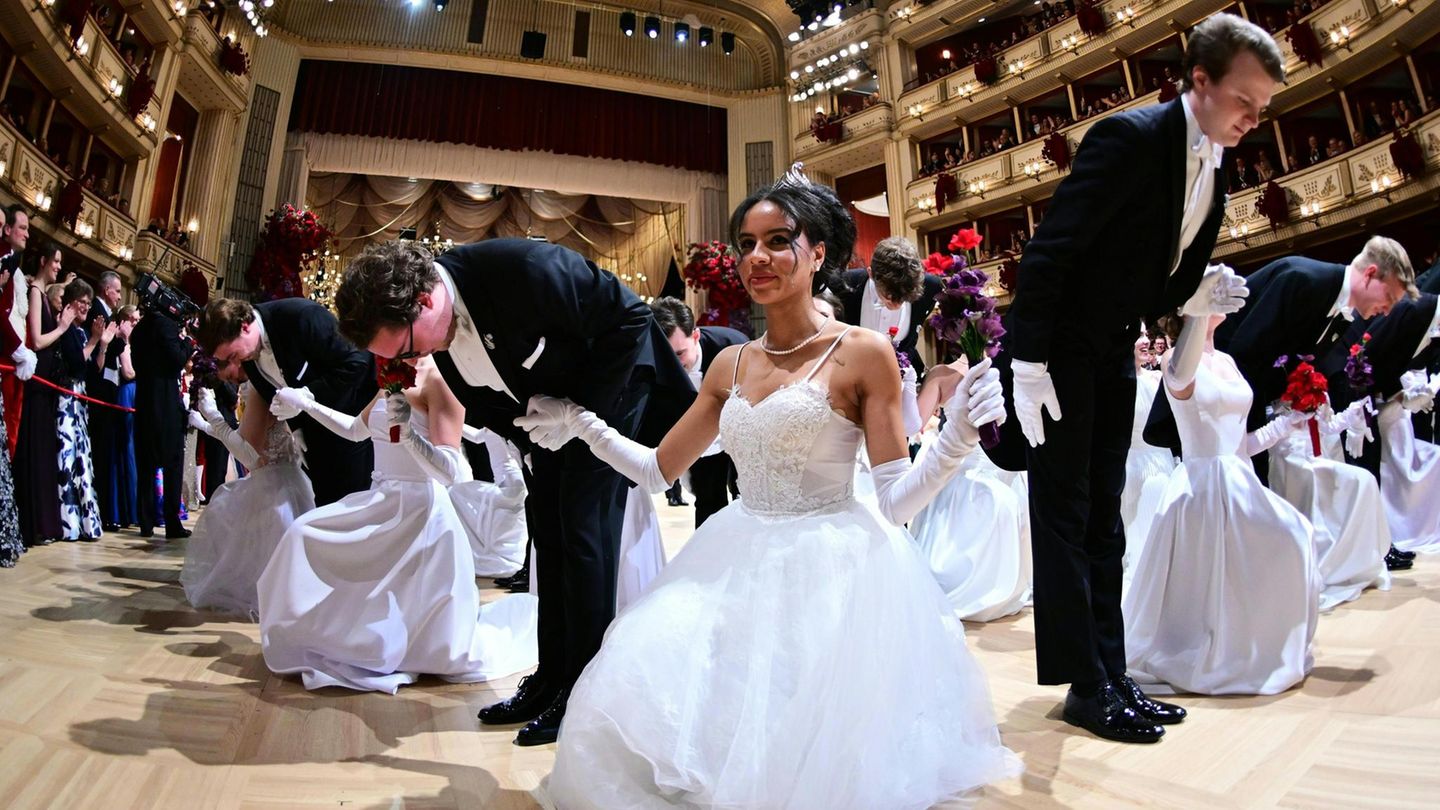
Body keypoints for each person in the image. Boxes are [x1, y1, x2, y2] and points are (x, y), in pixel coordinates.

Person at [517, 165, 1020, 807]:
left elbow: (894, 501)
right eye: (747, 244)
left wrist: (959, 438)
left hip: (835, 563)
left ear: (818, 254)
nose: (758, 257)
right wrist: (580, 423)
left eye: (778, 241)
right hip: (738, 548)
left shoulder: (862, 353)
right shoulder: (731, 363)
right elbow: (656, 471)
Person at [995, 13, 1284, 742]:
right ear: (1200, 82)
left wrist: (1192, 296)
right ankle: (1085, 685)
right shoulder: (1131, 139)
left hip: (1113, 347)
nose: (1255, 119)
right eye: (1246, 101)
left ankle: (1113, 672)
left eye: (1264, 108)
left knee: (1105, 518)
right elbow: (1051, 253)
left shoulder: (1215, 162)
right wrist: (1026, 363)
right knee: (1064, 515)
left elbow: (1152, 275)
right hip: (1057, 351)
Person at [334, 237, 695, 745]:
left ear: (424, 300)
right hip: (545, 420)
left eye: (410, 348)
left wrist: (583, 417)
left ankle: (583, 690)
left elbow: (631, 321)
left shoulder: (525, 268)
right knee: (546, 532)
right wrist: (531, 437)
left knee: (584, 534)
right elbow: (483, 398)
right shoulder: (438, 332)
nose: (414, 361)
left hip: (612, 397)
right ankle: (551, 677)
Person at [257, 359, 539, 692]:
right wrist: (307, 405)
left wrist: (409, 437)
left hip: (421, 510)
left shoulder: (439, 379)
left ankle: (397, 645)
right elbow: (355, 430)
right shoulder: (390, 374)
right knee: (302, 534)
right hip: (383, 499)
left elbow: (450, 472)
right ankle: (324, 634)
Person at [1125, 299, 1319, 695]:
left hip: (1238, 478)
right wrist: (1197, 312)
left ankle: (1256, 644)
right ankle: (1220, 652)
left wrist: (1287, 423)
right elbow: (1180, 382)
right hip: (1204, 487)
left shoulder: (1227, 361)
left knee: (1295, 537)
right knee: (1232, 569)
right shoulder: (1175, 361)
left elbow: (1239, 444)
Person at [1213, 237, 1416, 482]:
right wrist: (1263, 431)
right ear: (1370, 274)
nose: (1388, 310)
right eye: (1389, 298)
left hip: (1256, 404)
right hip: (1224, 403)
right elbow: (1243, 354)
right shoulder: (1304, 280)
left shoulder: (1338, 306)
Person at [196, 297, 377, 507]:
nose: (236, 363)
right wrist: (298, 428)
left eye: (233, 355)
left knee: (350, 509)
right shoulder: (249, 355)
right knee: (323, 508)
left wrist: (308, 395)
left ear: (244, 327)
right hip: (313, 441)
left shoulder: (301, 316)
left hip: (350, 427)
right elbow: (276, 394)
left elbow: (358, 362)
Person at [182, 384, 315, 616]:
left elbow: (249, 455)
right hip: (290, 481)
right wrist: (207, 424)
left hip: (272, 485)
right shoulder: (266, 387)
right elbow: (242, 437)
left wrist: (213, 416)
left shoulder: (258, 390)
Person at [649, 296, 747, 527]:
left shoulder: (733, 347)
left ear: (696, 336)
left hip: (740, 431)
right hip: (699, 440)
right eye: (665, 357)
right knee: (708, 501)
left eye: (679, 354)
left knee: (745, 498)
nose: (671, 365)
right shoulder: (653, 366)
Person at [15, 242, 68, 547]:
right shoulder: (36, 292)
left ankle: (41, 524)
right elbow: (35, 339)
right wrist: (62, 327)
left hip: (45, 386)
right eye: (56, 261)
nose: (58, 266)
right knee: (34, 452)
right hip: (37, 386)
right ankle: (32, 524)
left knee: (43, 452)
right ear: (45, 261)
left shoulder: (42, 295)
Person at [833, 235, 943, 373]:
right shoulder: (841, 285)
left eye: (903, 298)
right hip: (851, 374)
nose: (897, 304)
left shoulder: (932, 287)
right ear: (871, 274)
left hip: (905, 377)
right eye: (889, 296)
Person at [55, 279, 103, 541]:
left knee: (82, 461)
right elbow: (74, 363)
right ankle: (67, 523)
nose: (85, 306)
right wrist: (95, 340)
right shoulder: (68, 330)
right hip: (66, 402)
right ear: (70, 302)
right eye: (81, 301)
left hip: (80, 402)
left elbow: (92, 369)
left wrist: (100, 343)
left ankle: (86, 524)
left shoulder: (82, 332)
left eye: (88, 302)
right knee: (67, 459)